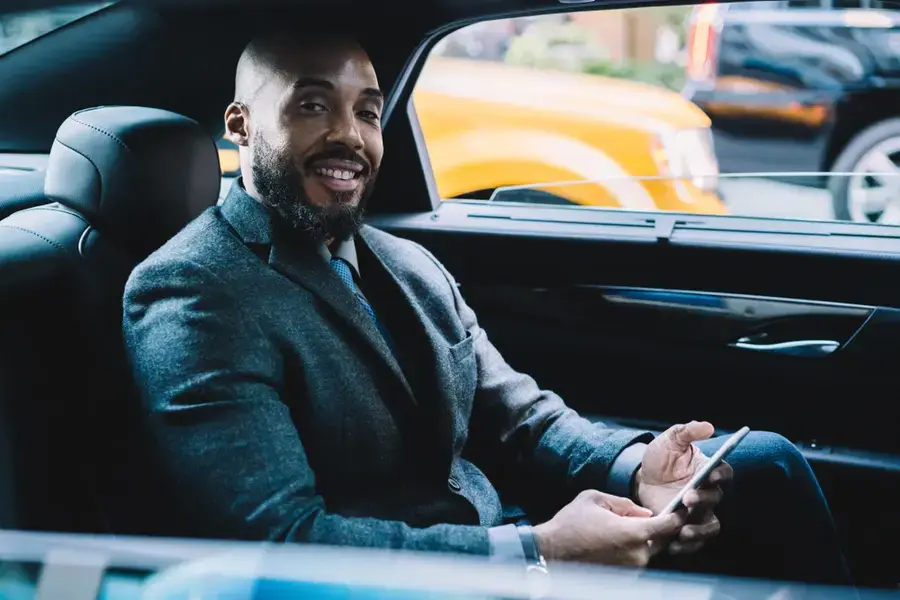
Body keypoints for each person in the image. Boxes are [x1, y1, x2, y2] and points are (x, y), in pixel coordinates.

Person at [122, 28, 851, 586]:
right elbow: (281, 543)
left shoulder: (406, 263)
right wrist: (537, 555)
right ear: (242, 124)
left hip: (501, 540)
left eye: (368, 112)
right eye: (313, 106)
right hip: (394, 584)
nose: (350, 135)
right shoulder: (193, 290)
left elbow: (523, 418)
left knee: (764, 465)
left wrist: (635, 468)